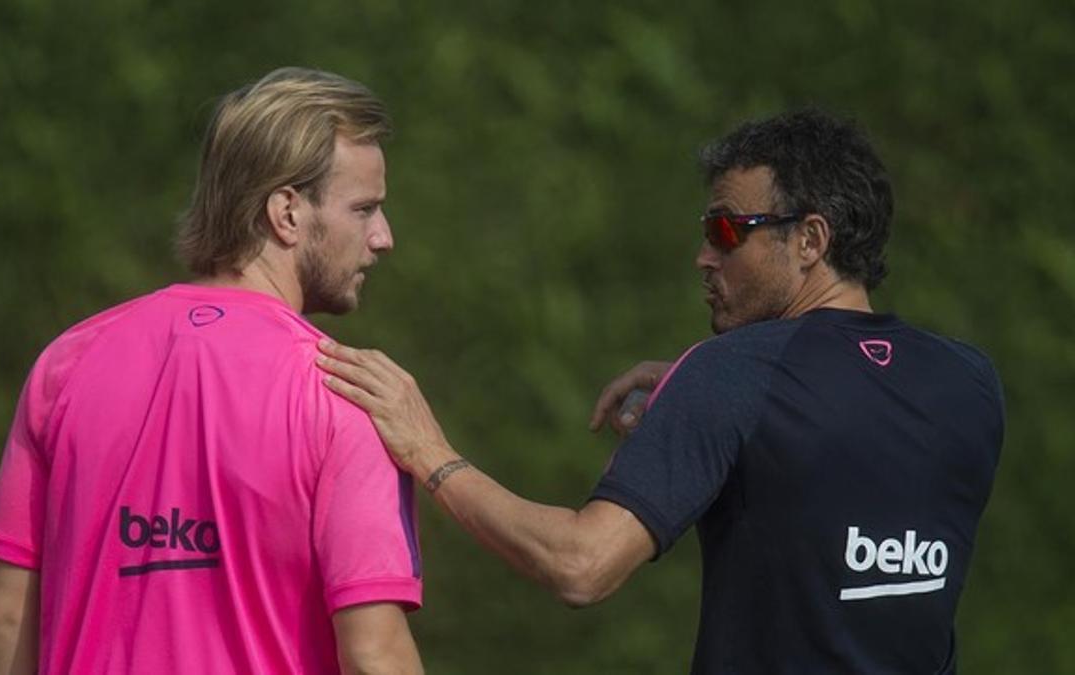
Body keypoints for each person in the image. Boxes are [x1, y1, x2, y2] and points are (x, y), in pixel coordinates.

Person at [316, 110, 1004, 673]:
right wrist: (703, 396)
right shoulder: (970, 382)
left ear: (810, 240)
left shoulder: (733, 373)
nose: (705, 255)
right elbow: (840, 452)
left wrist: (431, 451)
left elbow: (581, 565)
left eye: (726, 229)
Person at [0, 67, 424, 675]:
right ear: (287, 212)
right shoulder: (345, 393)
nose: (383, 237)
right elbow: (374, 654)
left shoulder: (68, 362)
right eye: (364, 208)